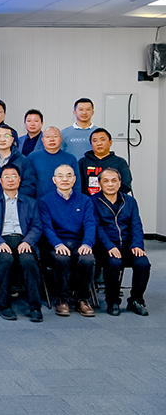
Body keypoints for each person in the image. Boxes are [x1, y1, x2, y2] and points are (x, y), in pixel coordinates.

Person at [0, 164, 44, 322]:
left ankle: (35, 307)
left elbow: (36, 226)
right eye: (6, 177)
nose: (10, 180)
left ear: (20, 179)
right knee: (6, 260)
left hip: (23, 240)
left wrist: (28, 241)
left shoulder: (30, 202)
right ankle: (5, 306)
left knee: (28, 261)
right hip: (1, 241)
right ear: (0, 181)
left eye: (14, 176)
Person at [39, 164, 97, 318]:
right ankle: (62, 299)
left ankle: (82, 299)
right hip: (56, 243)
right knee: (61, 258)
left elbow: (90, 224)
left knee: (87, 259)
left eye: (68, 175)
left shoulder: (85, 200)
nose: (64, 179)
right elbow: (46, 227)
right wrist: (57, 244)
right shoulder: (45, 201)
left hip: (79, 242)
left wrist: (87, 243)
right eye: (60, 176)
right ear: (54, 180)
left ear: (74, 179)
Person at [92, 168, 150, 316]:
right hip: (104, 247)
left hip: (128, 245)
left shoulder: (130, 201)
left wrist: (137, 245)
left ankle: (136, 300)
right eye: (106, 181)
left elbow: (136, 225)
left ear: (119, 183)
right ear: (99, 184)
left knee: (143, 263)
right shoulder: (92, 201)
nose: (110, 184)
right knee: (114, 263)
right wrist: (109, 246)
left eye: (114, 181)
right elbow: (97, 228)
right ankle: (112, 301)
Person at [0, 124, 36, 200]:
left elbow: (28, 184)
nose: (2, 140)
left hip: (17, 203)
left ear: (12, 139)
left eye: (6, 136)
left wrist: (15, 201)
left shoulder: (23, 160)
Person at [28, 126, 81, 200]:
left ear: (61, 139)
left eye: (55, 136)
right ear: (42, 139)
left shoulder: (70, 158)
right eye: (48, 137)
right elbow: (29, 182)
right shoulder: (33, 157)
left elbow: (77, 184)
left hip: (66, 201)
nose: (52, 139)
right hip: (40, 201)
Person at [78, 128, 132, 196]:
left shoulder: (120, 162)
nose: (99, 143)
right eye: (95, 140)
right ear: (91, 144)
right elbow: (78, 185)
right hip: (88, 200)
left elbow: (126, 185)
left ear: (110, 142)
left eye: (102, 139)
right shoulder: (82, 162)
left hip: (114, 201)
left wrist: (112, 198)